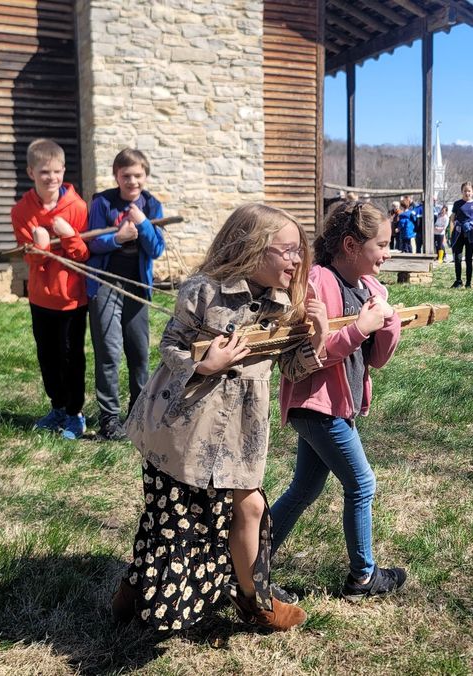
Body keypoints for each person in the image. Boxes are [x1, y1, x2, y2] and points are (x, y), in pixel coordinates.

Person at [113, 203, 328, 633]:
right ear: (254, 250)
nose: (298, 260)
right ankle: (135, 594)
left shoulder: (283, 303)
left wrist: (317, 339)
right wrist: (206, 364)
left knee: (250, 506)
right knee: (173, 518)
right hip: (184, 424)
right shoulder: (203, 291)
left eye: (300, 251)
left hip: (241, 428)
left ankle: (256, 602)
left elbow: (291, 369)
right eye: (287, 251)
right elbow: (170, 347)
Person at [272, 201, 408, 602]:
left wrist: (388, 321)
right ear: (351, 244)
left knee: (303, 490)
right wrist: (360, 327)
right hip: (315, 404)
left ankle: (249, 559)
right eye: (381, 245)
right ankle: (363, 577)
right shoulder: (318, 282)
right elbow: (313, 354)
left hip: (337, 407)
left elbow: (378, 359)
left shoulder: (370, 288)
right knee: (362, 483)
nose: (387, 252)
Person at [10, 138, 91, 439]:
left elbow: (83, 255)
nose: (52, 178)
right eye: (44, 172)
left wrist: (69, 236)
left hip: (72, 298)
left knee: (71, 357)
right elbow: (28, 257)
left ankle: (75, 414)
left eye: (57, 171)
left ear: (64, 170)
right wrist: (39, 249)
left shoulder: (78, 207)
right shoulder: (21, 211)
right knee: (47, 355)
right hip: (41, 298)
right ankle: (57, 407)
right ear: (31, 172)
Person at [86, 149, 166, 440]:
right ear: (116, 176)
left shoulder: (152, 205)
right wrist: (117, 238)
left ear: (145, 175)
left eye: (137, 175)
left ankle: (138, 415)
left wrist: (143, 224)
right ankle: (109, 419)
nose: (132, 181)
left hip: (136, 287)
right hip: (106, 284)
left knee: (139, 352)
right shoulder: (103, 203)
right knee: (108, 351)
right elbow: (92, 243)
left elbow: (157, 249)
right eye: (126, 176)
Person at [449, 182, 473, 288]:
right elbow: (452, 219)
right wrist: (451, 233)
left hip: (470, 234)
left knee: (469, 259)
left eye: (469, 191)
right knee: (458, 258)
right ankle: (458, 281)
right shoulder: (457, 204)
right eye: (465, 191)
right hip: (459, 234)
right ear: (462, 192)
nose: (467, 193)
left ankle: (468, 282)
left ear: (472, 192)